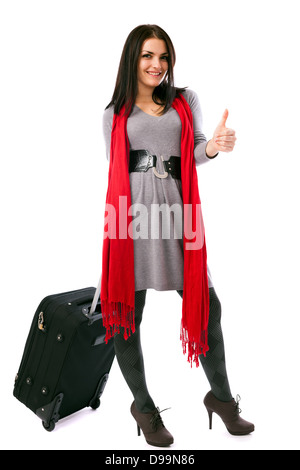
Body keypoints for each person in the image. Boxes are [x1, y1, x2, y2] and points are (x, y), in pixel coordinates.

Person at [101, 24, 254, 447]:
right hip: (129, 221)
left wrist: (214, 147)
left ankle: (222, 399)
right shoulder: (115, 112)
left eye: (164, 57)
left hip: (177, 215)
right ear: (133, 58)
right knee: (126, 317)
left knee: (208, 307)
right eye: (149, 55)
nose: (157, 65)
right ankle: (144, 407)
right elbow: (115, 170)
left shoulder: (185, 101)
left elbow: (199, 148)